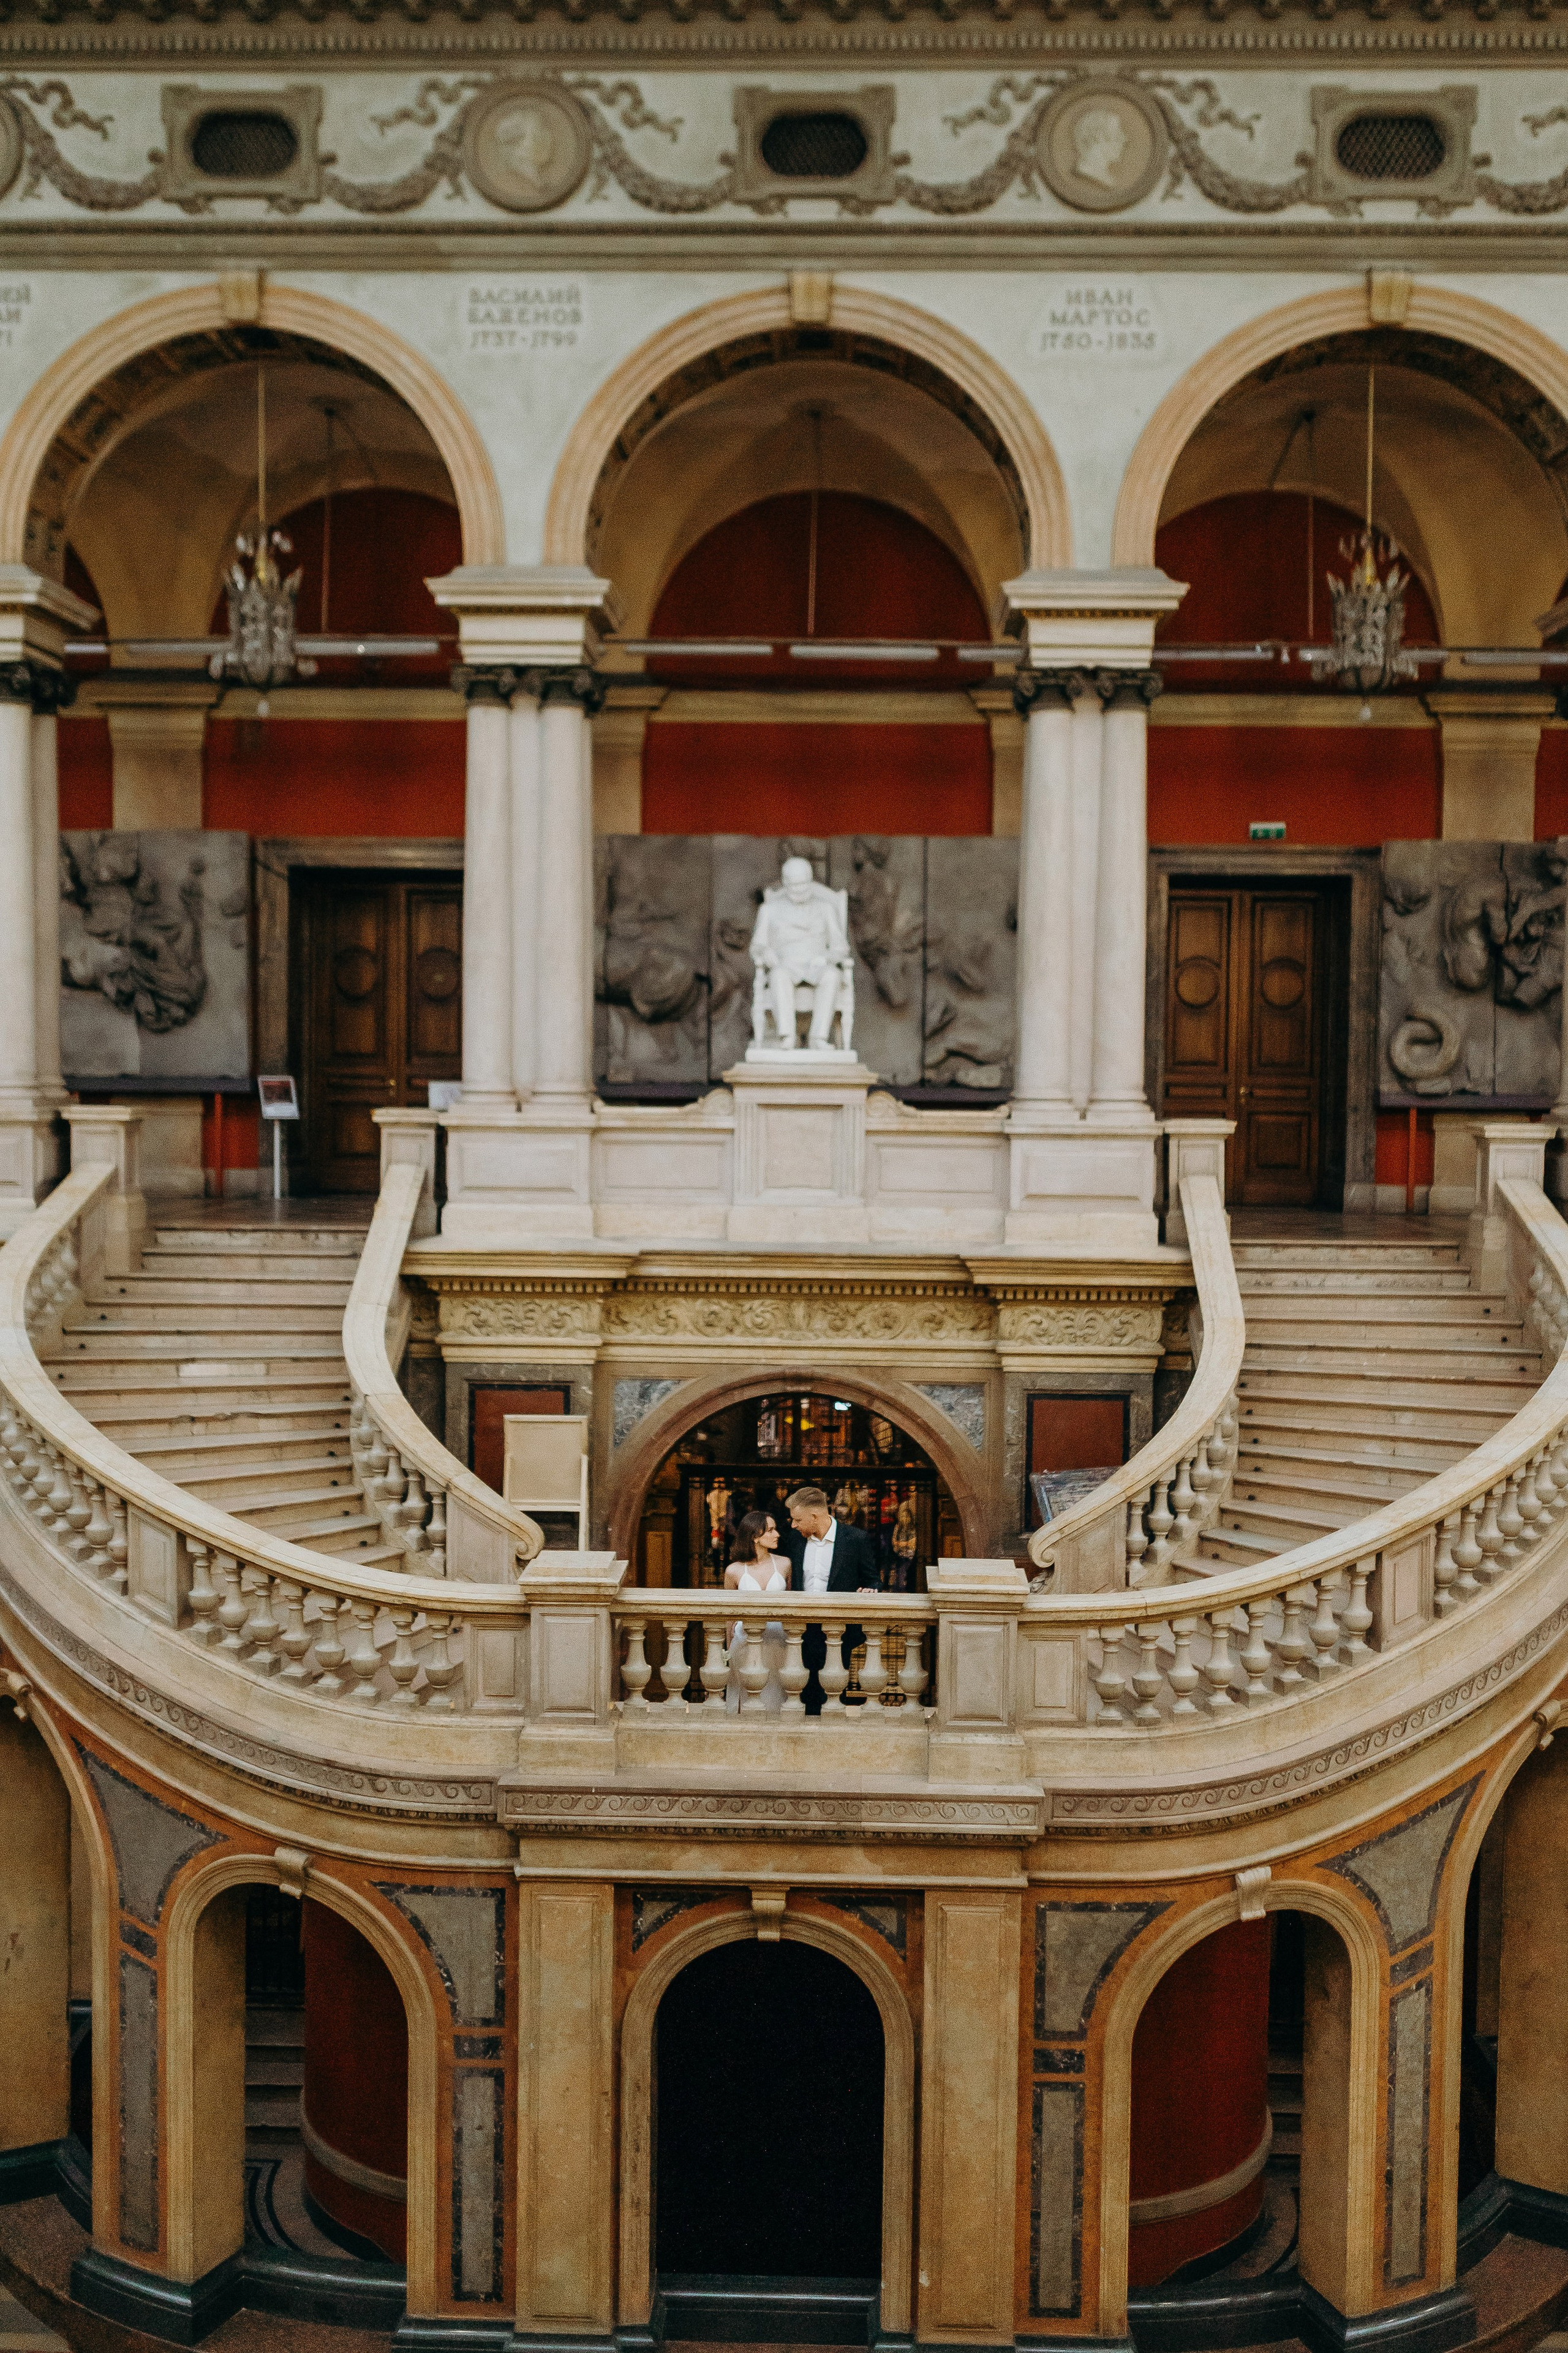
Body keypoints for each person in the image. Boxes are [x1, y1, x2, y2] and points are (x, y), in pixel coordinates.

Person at [782, 1484, 881, 1713]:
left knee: (834, 1692)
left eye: (797, 1520)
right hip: (802, 1629)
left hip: (840, 1631)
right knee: (803, 1692)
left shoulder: (855, 1539)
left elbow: (873, 1580)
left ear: (814, 1516)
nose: (794, 1525)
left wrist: (870, 1590)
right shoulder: (795, 1540)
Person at [723, 1509, 788, 1712]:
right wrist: (729, 1648)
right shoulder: (733, 1570)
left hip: (778, 1638)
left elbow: (791, 1605)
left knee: (776, 1694)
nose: (777, 1534)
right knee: (744, 1692)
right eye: (770, 1530)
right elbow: (730, 1614)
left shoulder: (784, 1564)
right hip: (745, 1639)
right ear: (755, 1537)